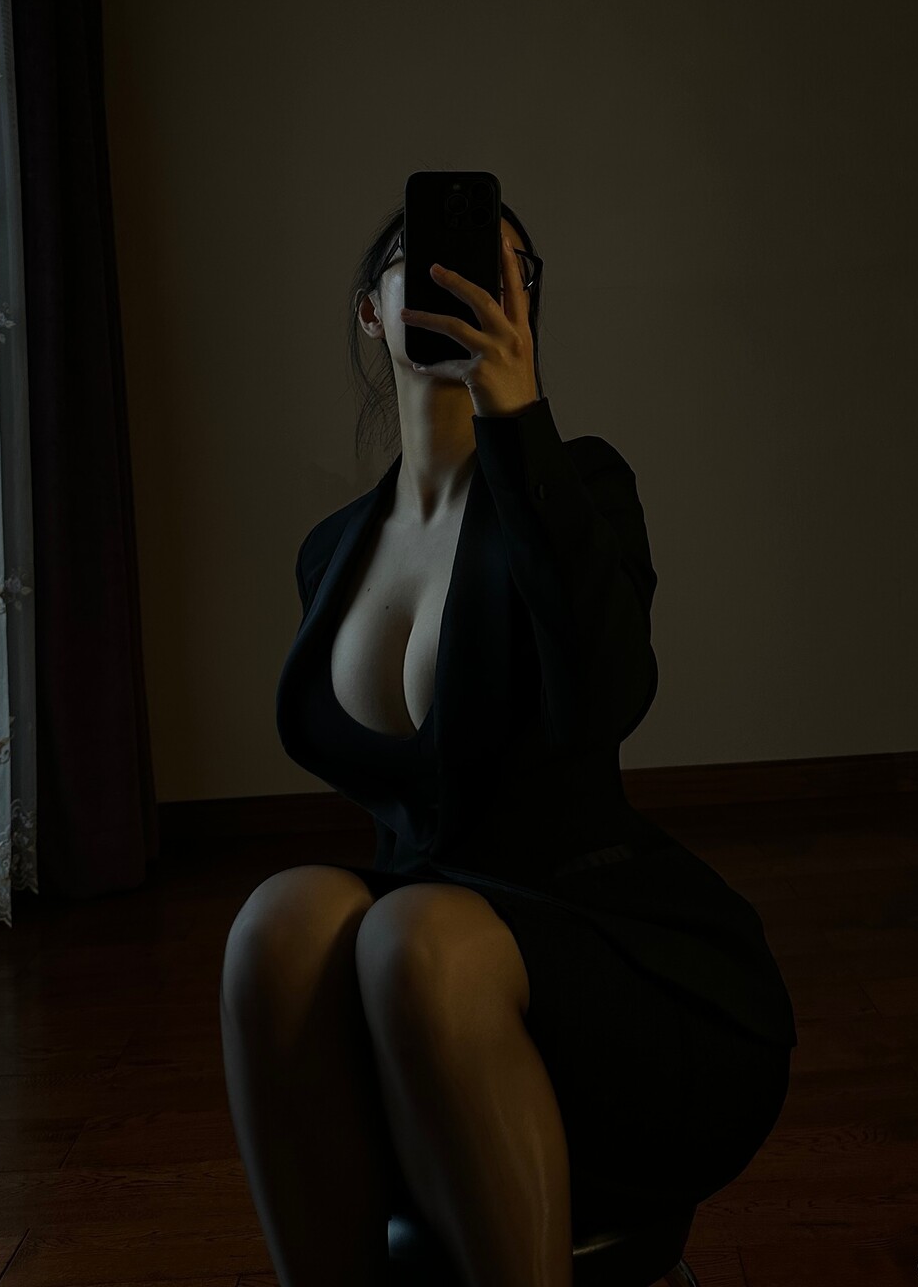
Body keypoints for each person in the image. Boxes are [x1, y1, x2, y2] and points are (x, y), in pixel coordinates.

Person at [220, 197, 797, 1287]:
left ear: (526, 307)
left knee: (416, 938)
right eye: (424, 262)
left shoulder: (578, 484)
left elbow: (606, 698)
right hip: (417, 973)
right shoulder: (331, 549)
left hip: (610, 961)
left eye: (499, 269)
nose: (459, 283)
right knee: (278, 920)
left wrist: (518, 417)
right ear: (371, 310)